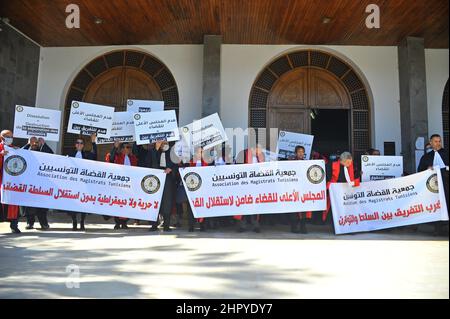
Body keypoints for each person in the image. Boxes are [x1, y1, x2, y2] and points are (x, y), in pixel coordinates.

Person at [136, 140, 176, 232]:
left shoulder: (172, 152)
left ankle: (166, 225)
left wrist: (171, 169)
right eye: (161, 142)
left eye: (165, 142)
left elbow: (176, 165)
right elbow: (149, 163)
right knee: (154, 201)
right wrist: (156, 149)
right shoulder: (152, 152)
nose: (163, 143)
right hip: (154, 179)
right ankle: (154, 224)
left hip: (167, 179)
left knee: (167, 202)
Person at [418, 134, 449, 236]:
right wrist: (427, 169)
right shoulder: (426, 157)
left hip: (446, 185)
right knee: (436, 207)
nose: (438, 143)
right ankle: (438, 229)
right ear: (430, 143)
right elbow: (420, 171)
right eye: (435, 141)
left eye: (439, 141)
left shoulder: (447, 154)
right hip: (433, 188)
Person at [66, 133, 97, 230]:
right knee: (72, 203)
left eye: (81, 143)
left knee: (83, 203)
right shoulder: (69, 154)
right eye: (77, 143)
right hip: (72, 182)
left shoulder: (86, 154)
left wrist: (93, 142)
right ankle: (74, 221)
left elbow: (95, 155)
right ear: (75, 144)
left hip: (83, 183)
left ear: (83, 145)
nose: (79, 144)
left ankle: (82, 222)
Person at [22, 136, 54, 230]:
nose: (35, 144)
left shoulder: (42, 152)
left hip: (41, 184)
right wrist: (28, 144)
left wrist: (44, 144)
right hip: (28, 183)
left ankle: (44, 223)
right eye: (33, 142)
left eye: (37, 143)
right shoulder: (26, 151)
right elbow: (18, 153)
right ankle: (30, 223)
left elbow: (51, 155)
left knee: (42, 205)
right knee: (29, 205)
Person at [106, 141, 138, 230]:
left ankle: (124, 222)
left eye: (128, 147)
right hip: (118, 184)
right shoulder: (116, 156)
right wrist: (115, 147)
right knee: (117, 204)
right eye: (123, 147)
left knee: (127, 204)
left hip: (129, 185)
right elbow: (111, 159)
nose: (125, 149)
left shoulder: (133, 158)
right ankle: (117, 222)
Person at [233, 144, 265, 233]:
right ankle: (242, 225)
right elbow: (236, 168)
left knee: (255, 206)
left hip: (256, 186)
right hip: (243, 185)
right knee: (243, 205)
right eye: (259, 149)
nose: (260, 151)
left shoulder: (261, 156)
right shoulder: (242, 154)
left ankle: (255, 225)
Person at [323, 152, 361, 225]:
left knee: (347, 209)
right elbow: (327, 177)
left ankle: (347, 225)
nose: (350, 164)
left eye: (350, 162)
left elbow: (355, 176)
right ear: (342, 160)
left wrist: (358, 175)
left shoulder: (351, 165)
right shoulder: (331, 165)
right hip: (334, 191)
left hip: (346, 191)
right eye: (348, 162)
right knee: (335, 210)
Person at [0, 130, 21, 233]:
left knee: (13, 204)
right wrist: (1, 155)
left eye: (11, 136)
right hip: (1, 182)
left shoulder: (14, 149)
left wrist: (20, 153)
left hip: (12, 183)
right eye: (7, 136)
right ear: (2, 137)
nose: (10, 138)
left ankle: (14, 225)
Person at [289, 145, 310, 234]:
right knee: (294, 209)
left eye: (302, 152)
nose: (301, 153)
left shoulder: (307, 163)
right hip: (293, 188)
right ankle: (294, 227)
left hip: (303, 188)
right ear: (295, 153)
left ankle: (303, 226)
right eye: (299, 152)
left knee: (303, 208)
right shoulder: (290, 163)